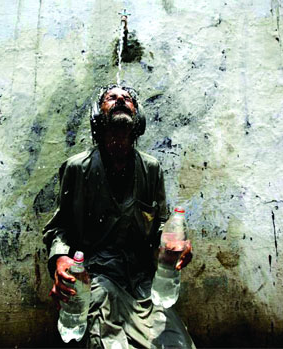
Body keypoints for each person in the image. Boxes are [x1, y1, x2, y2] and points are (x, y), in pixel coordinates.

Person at [43, 84, 194, 348]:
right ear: (97, 115)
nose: (121, 99)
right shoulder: (77, 168)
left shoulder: (151, 169)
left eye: (128, 99)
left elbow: (160, 225)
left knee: (176, 343)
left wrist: (173, 245)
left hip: (143, 283)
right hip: (96, 277)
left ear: (138, 117)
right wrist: (60, 259)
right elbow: (59, 228)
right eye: (111, 97)